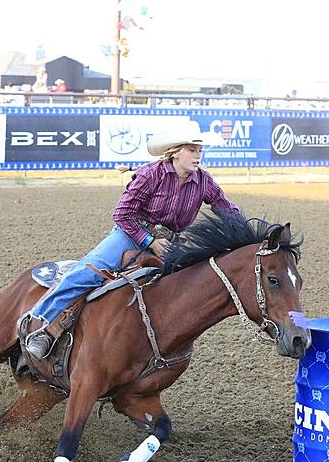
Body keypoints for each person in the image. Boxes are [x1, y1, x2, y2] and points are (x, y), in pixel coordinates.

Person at [23, 122, 239, 358]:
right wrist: (150, 242)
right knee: (87, 272)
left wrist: (249, 232)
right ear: (176, 152)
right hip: (131, 235)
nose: (198, 155)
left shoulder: (203, 181)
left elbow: (226, 209)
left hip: (170, 243)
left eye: (199, 150)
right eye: (192, 149)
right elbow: (122, 214)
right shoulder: (150, 174)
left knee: (188, 288)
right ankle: (42, 326)